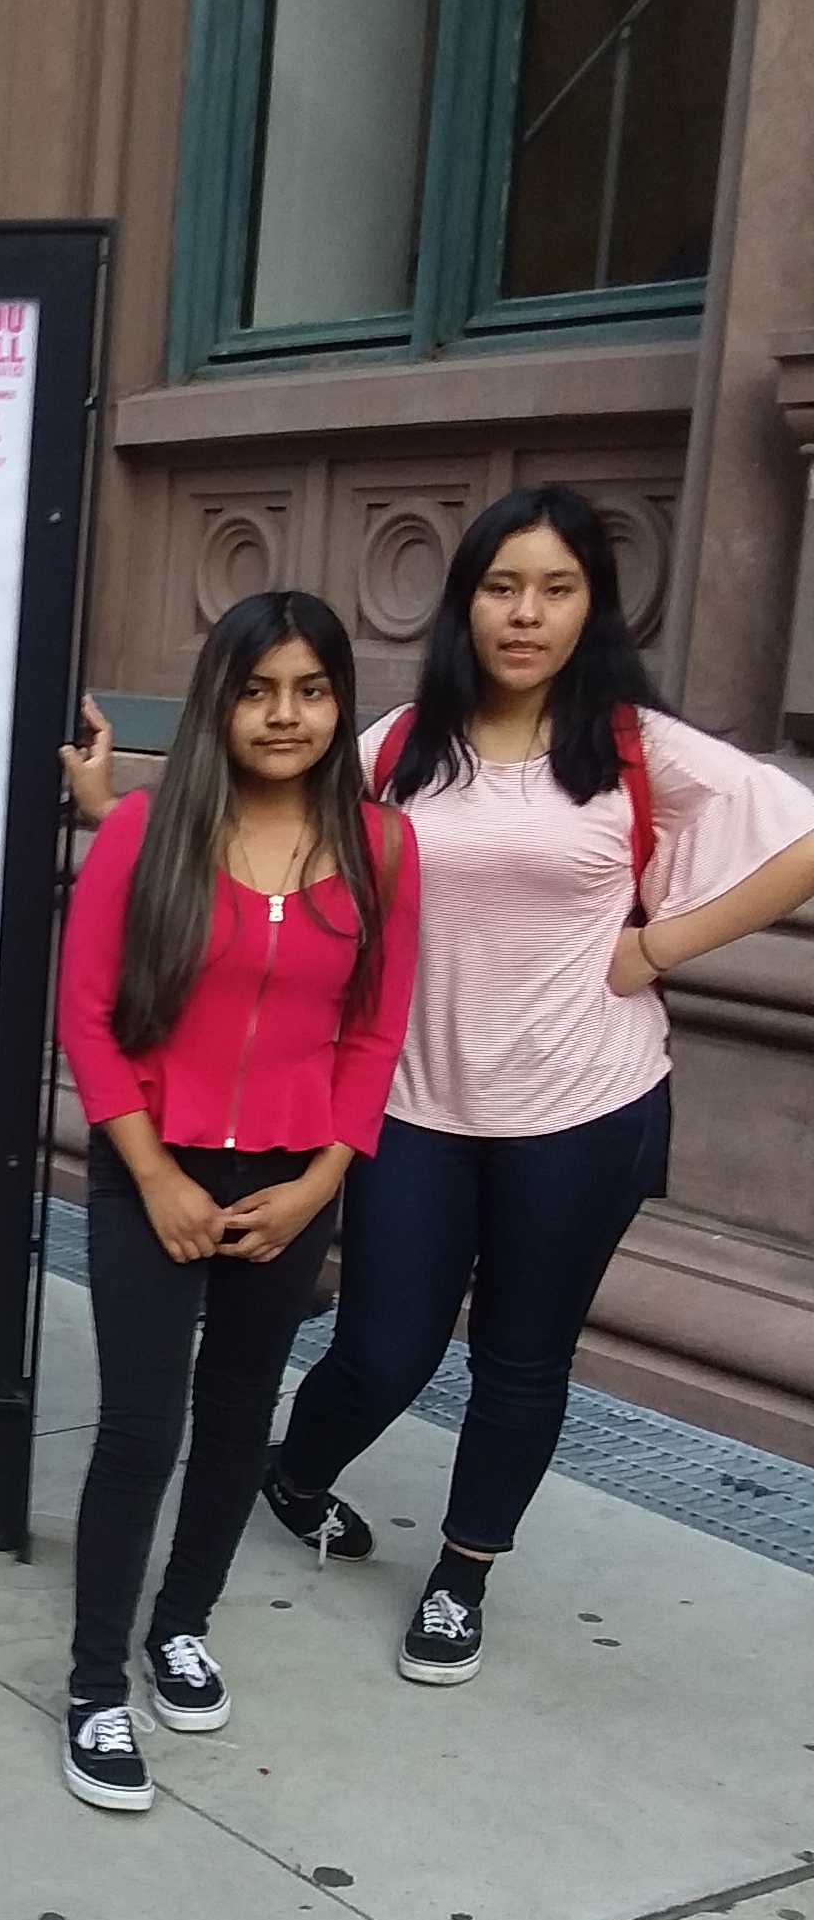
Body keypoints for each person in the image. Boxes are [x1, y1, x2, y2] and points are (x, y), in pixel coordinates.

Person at [69, 485, 814, 1687]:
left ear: (593, 608)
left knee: (525, 1359)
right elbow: (262, 815)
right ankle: (296, 1476)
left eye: (557, 589)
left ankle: (462, 1575)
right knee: (384, 1346)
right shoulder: (402, 744)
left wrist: (660, 944)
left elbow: (802, 838)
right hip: (409, 1102)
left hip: (584, 1101)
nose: (526, 615)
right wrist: (119, 821)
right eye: (501, 587)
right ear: (465, 604)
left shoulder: (633, 746)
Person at [53, 592, 416, 1812]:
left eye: (311, 690)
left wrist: (317, 1184)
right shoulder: (145, 832)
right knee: (141, 1430)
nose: (285, 714)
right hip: (150, 1165)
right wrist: (154, 1174)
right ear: (221, 699)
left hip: (292, 1182)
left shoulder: (384, 850)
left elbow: (374, 1036)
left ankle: (182, 1628)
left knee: (234, 1420)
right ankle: (95, 1684)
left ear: (339, 704)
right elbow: (89, 1017)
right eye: (260, 689)